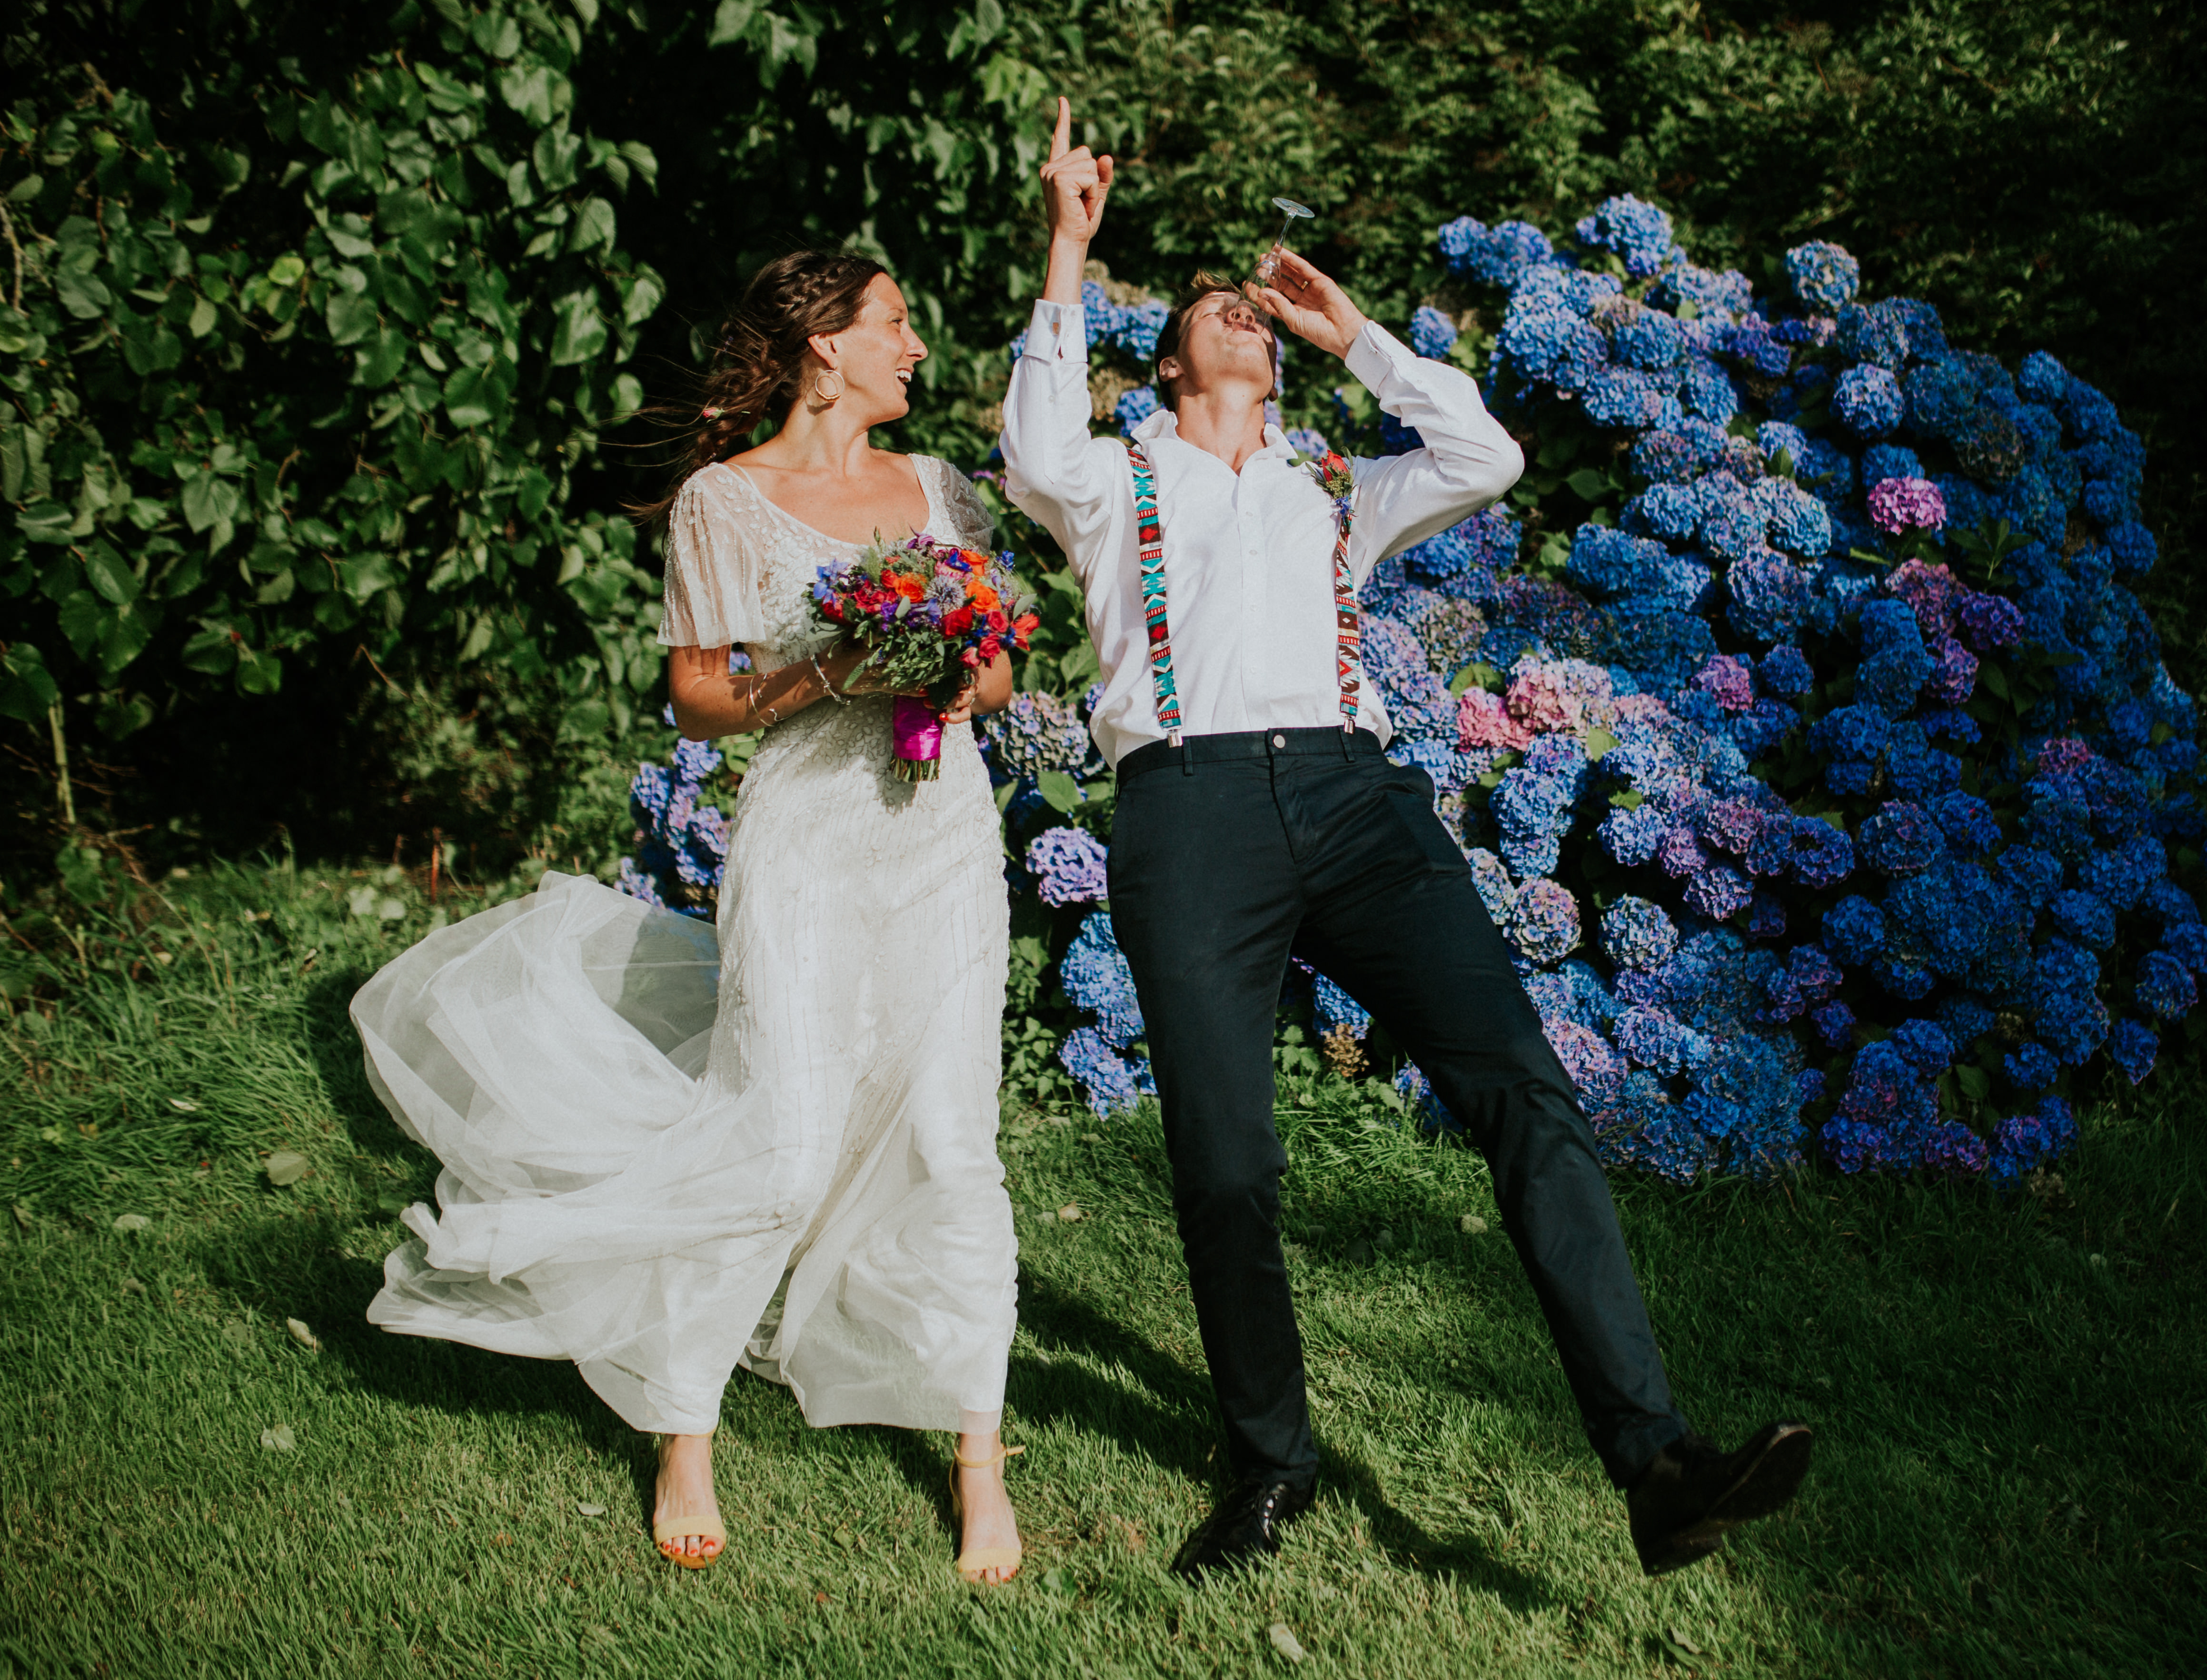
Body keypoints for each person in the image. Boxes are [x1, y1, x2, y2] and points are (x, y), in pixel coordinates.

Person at [1000, 102, 1812, 1582]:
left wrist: (1357, 335)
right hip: (1187, 810)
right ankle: (1268, 1465)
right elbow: (1030, 448)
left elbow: (1484, 452)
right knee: (1228, 1160)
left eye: (1256, 311)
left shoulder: (1336, 491)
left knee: (1521, 1087)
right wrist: (1068, 241)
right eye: (1218, 314)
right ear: (1169, 365)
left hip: (1358, 799)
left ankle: (1654, 1460)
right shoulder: (1116, 484)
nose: (1245, 318)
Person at [352, 252, 1029, 1583]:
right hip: (805, 838)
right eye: (894, 325)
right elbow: (699, 700)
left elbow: (1000, 660)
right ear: (824, 346)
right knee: (780, 1144)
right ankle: (683, 1422)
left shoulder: (938, 489)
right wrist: (825, 668)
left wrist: (966, 681)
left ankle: (975, 1454)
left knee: (954, 1138)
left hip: (942, 835)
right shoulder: (727, 499)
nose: (916, 348)